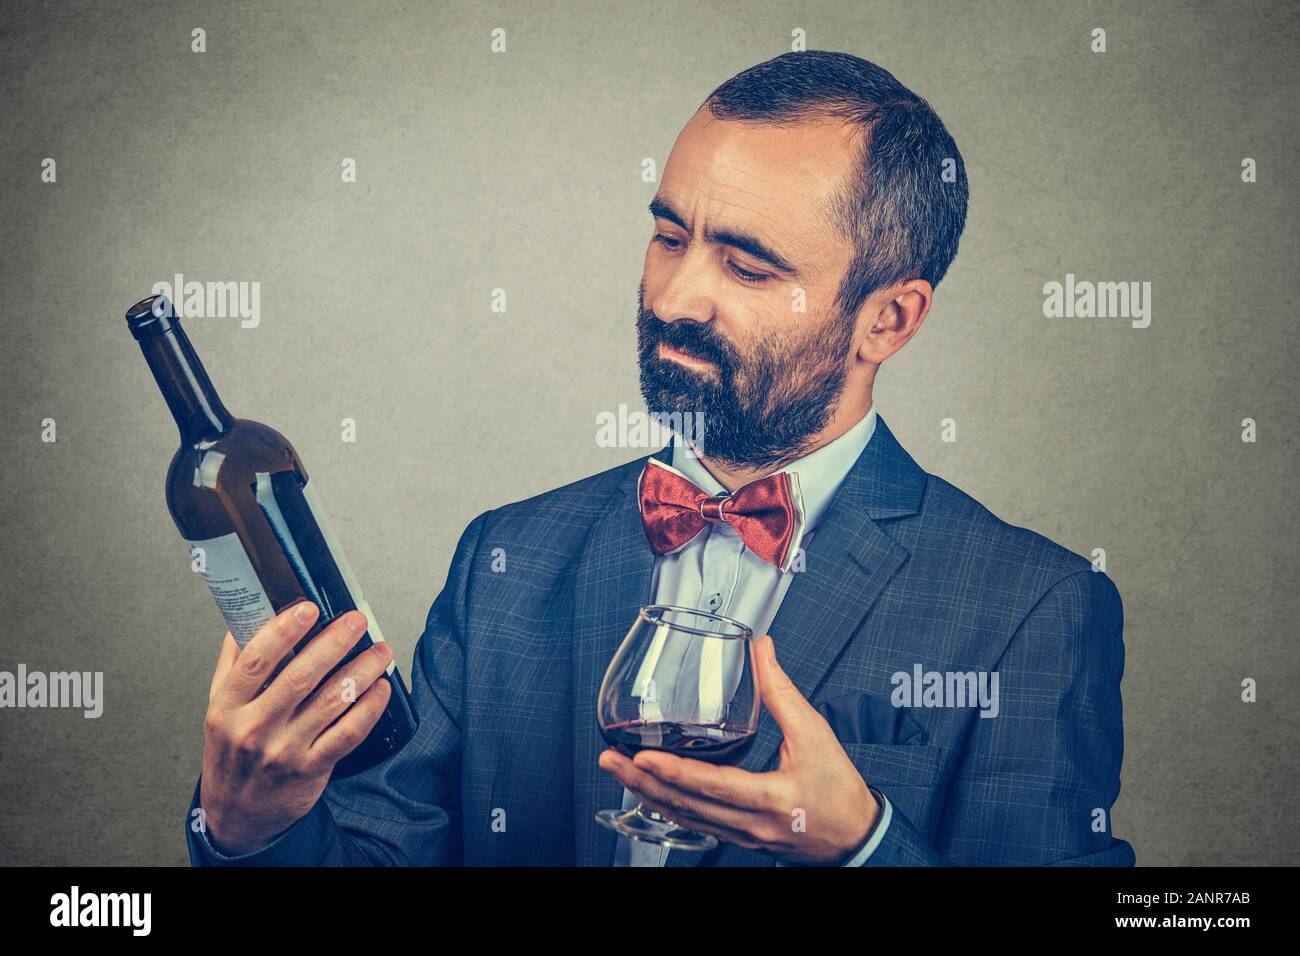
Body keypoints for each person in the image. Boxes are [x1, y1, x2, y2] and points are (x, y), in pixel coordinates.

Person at [186, 50, 1135, 866]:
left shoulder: (1031, 609)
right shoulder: (504, 563)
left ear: (887, 319)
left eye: (748, 265)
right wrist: (248, 829)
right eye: (670, 235)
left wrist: (864, 847)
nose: (677, 296)